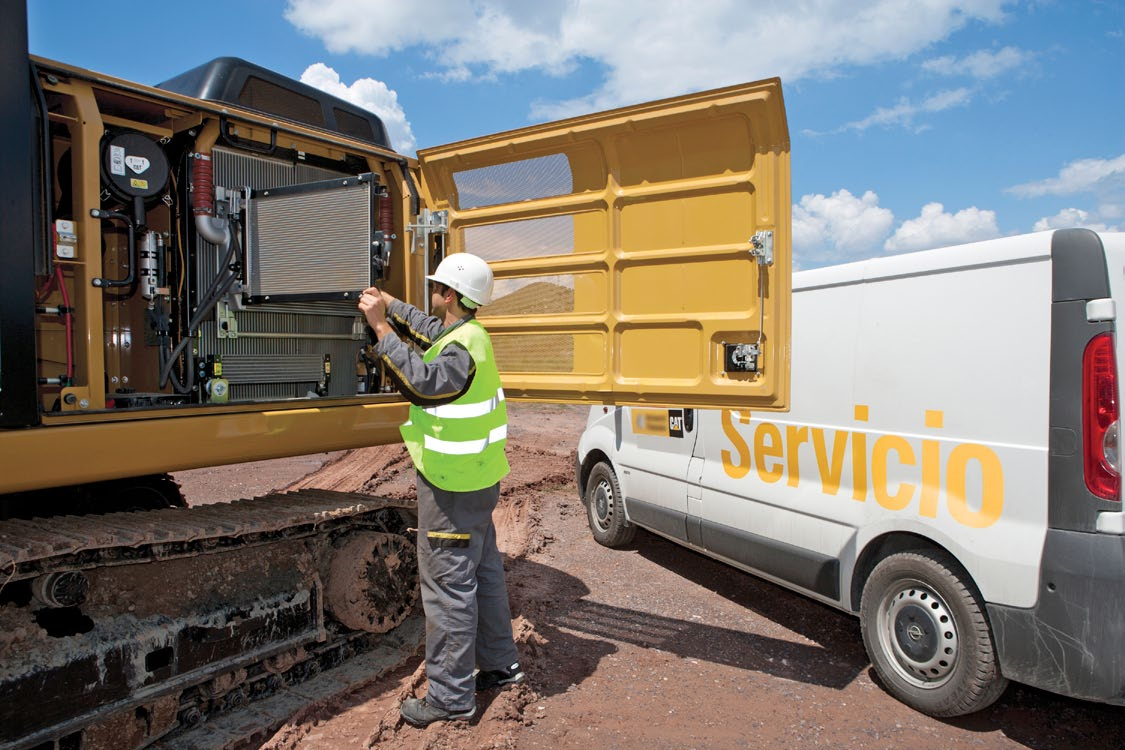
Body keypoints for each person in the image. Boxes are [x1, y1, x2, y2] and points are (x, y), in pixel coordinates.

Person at [358, 253, 524, 727]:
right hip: (476, 480)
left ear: (449, 294)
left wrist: (381, 330)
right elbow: (430, 328)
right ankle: (501, 664)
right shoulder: (467, 333)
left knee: (449, 586)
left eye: (436, 287)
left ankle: (451, 699)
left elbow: (424, 382)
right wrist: (389, 304)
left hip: (452, 486)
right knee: (485, 574)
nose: (432, 293)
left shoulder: (460, 351)